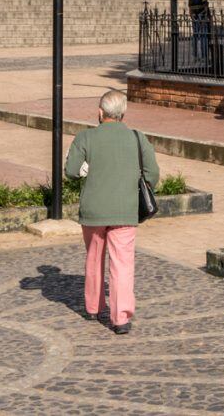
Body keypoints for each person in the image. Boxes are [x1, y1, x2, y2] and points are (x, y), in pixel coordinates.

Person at [62, 89, 158, 335]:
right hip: (125, 210)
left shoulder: (85, 138)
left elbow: (71, 171)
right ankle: (121, 318)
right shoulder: (137, 138)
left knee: (94, 257)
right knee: (123, 263)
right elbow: (152, 175)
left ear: (100, 112)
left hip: (93, 209)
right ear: (123, 114)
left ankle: (93, 306)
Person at [185, 0, 212, 68]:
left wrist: (193, 18)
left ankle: (195, 56)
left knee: (195, 38)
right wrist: (206, 20)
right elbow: (206, 9)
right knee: (203, 38)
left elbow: (190, 10)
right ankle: (204, 56)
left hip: (195, 19)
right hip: (202, 19)